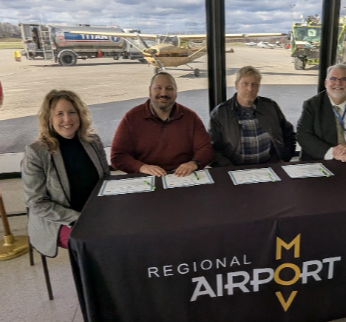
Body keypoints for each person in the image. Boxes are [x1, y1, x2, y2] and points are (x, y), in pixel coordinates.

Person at [22, 90, 110, 257]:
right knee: (97, 242)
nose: (67, 120)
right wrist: (78, 218)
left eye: (72, 112)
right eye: (59, 114)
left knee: (129, 231)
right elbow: (36, 202)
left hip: (94, 213)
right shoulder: (36, 152)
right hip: (59, 220)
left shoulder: (93, 141)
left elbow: (105, 180)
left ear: (80, 114)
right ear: (49, 119)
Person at [111, 72, 214, 176]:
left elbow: (206, 149)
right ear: (150, 90)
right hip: (146, 177)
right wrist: (142, 167)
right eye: (158, 88)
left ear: (176, 92)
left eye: (169, 88)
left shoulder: (190, 117)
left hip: (182, 177)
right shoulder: (132, 118)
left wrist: (194, 163)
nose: (164, 93)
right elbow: (117, 156)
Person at [209, 66, 296, 167]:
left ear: (259, 86)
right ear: (236, 85)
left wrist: (284, 158)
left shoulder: (270, 106)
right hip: (236, 169)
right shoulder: (220, 113)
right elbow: (213, 148)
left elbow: (289, 134)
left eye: (254, 84)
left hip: (270, 166)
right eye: (245, 84)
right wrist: (228, 169)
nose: (250, 89)